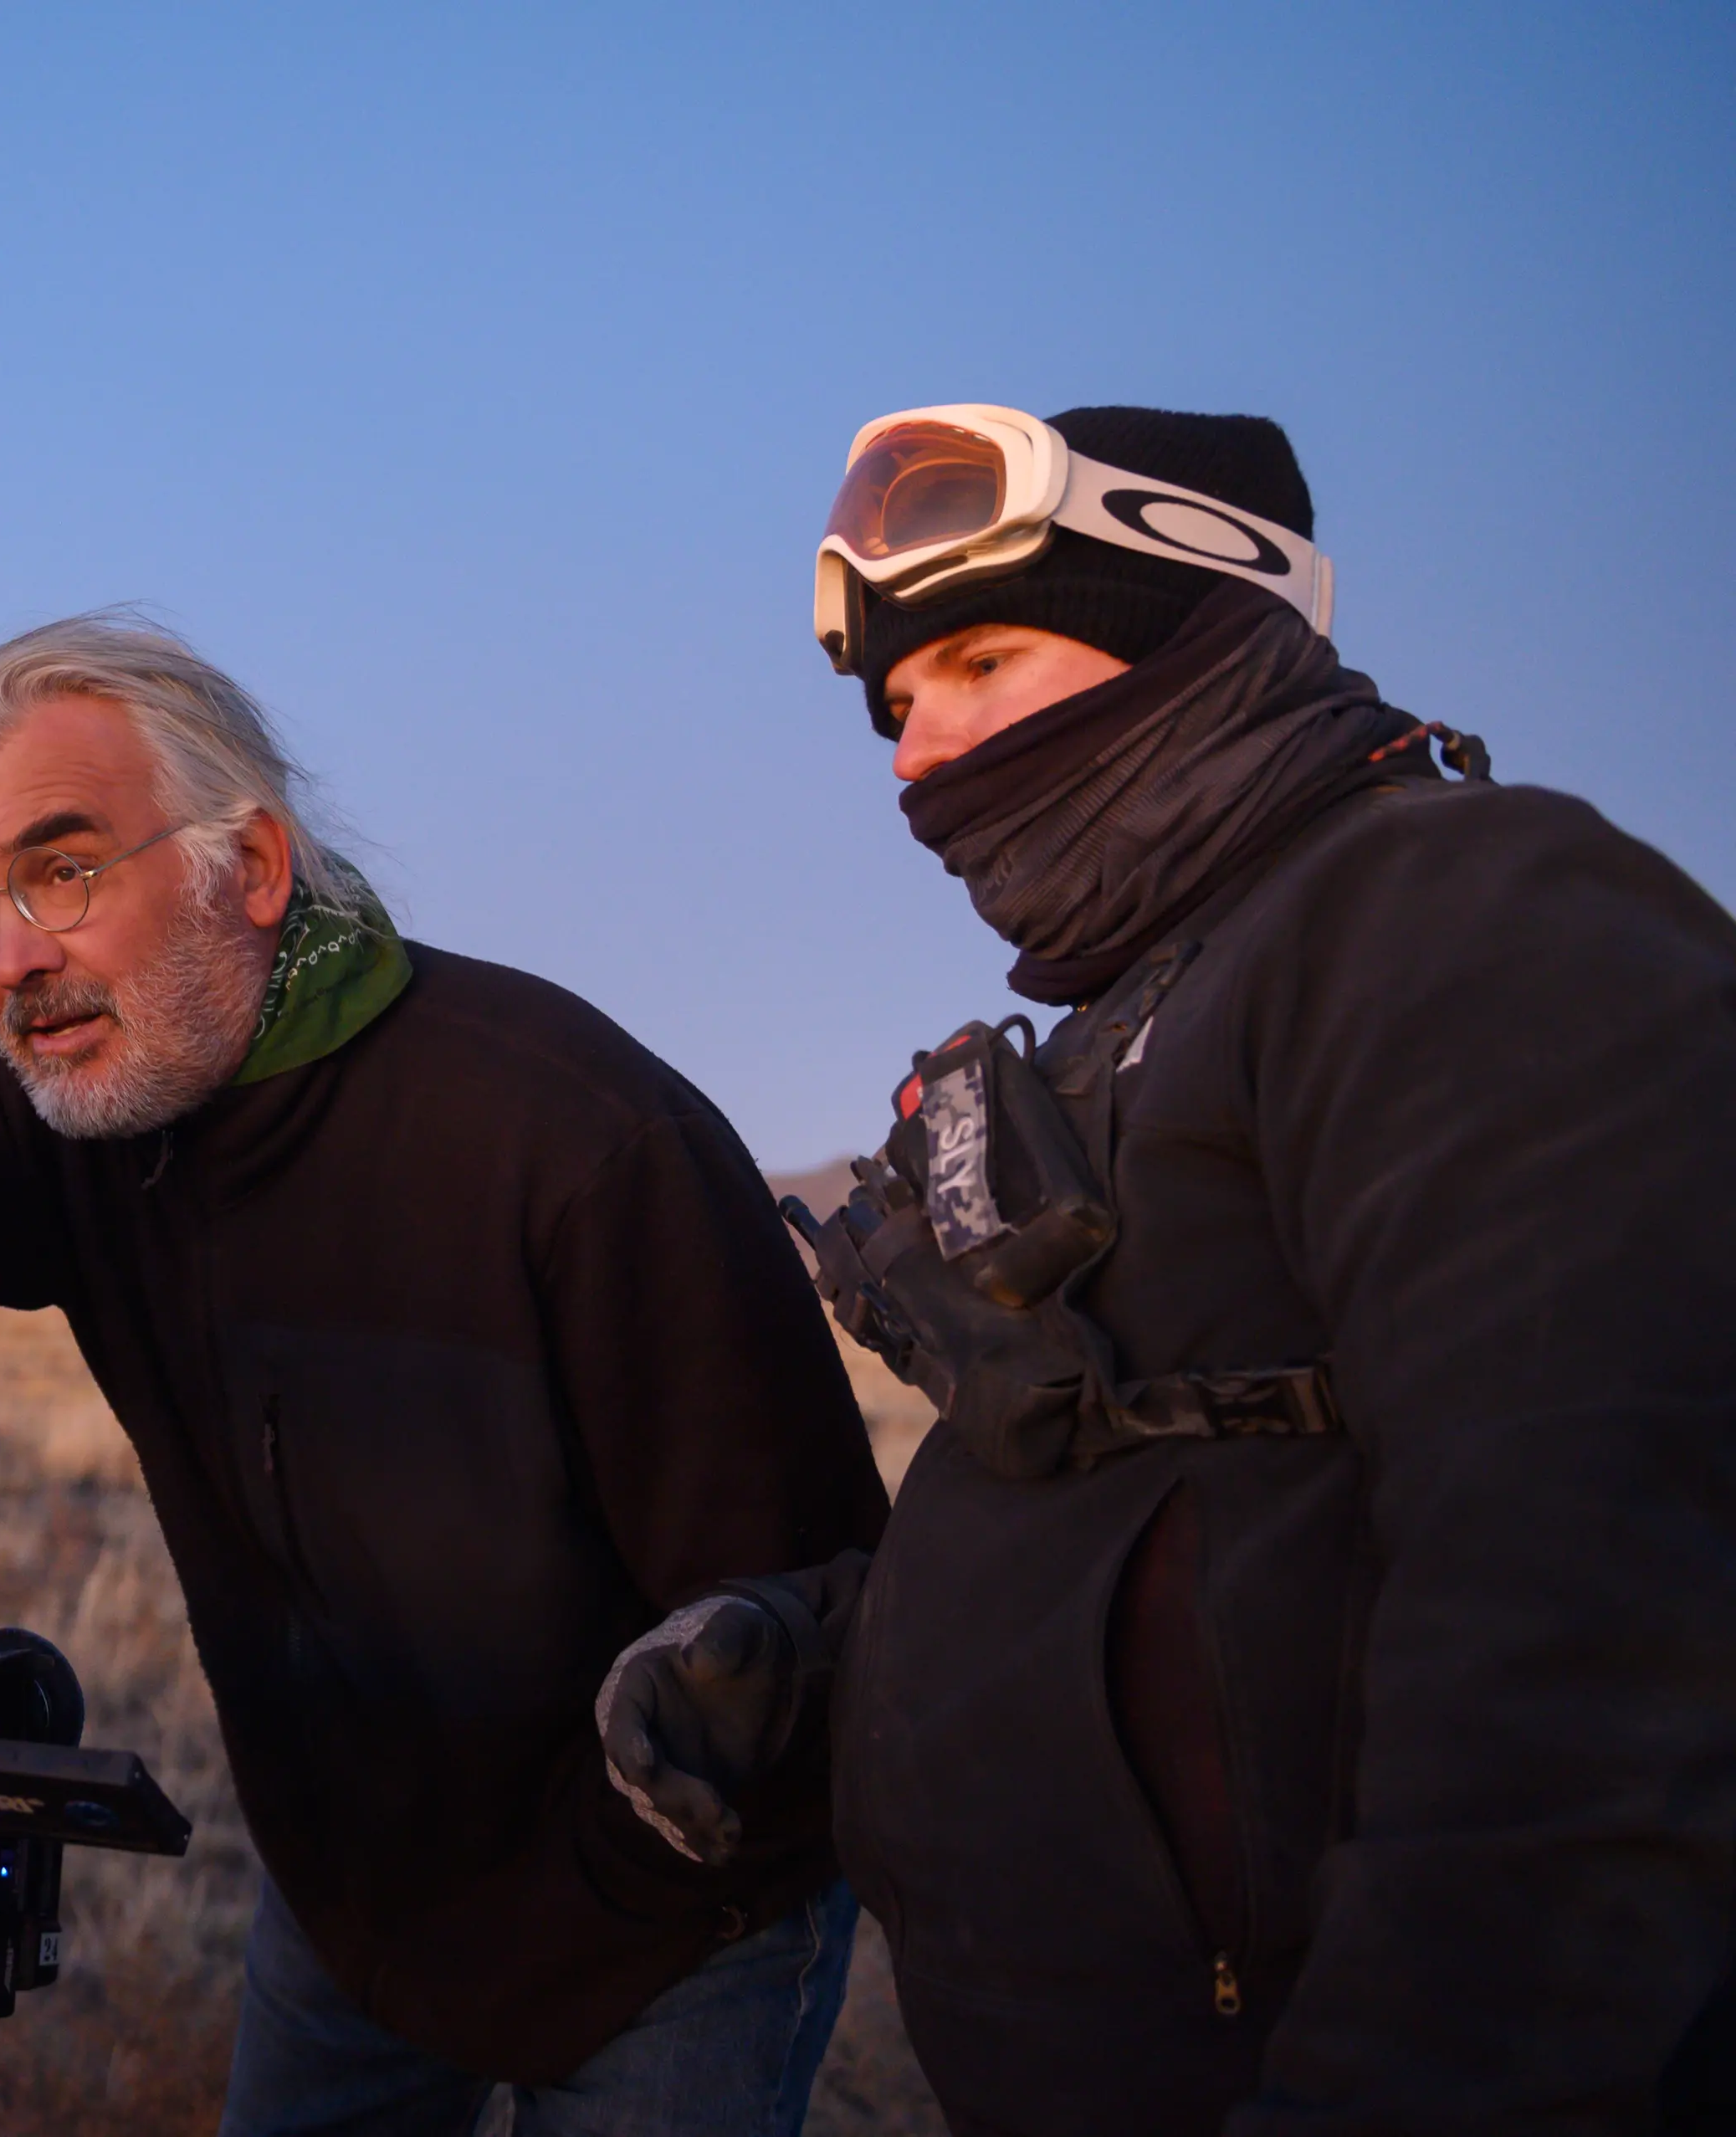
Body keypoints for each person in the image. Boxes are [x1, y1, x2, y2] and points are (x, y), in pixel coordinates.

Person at [0, 614, 888, 2135]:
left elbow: (797, 1634)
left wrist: (620, 1879)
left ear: (250, 869)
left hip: (674, 1916)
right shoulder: (57, 1099)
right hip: (351, 1900)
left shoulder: (576, 1141)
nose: (10, 962)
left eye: (61, 871)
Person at [599, 404, 1736, 2133]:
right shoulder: (1134, 1020)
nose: (922, 755)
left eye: (980, 658)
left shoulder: (1459, 908)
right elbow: (1200, 1504)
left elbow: (1609, 1600)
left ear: (1204, 630)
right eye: (897, 708)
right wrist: (827, 1664)